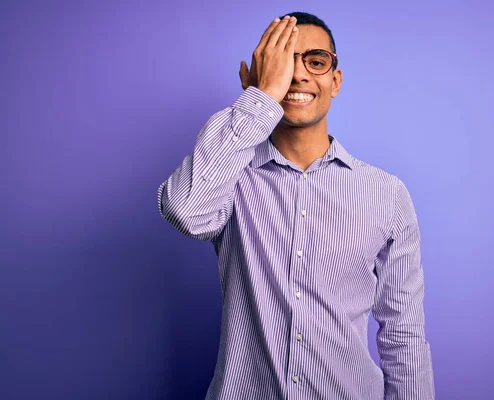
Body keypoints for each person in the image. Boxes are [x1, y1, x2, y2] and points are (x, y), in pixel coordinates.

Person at [157, 11, 435, 400]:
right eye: (284, 60)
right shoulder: (228, 172)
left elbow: (403, 337)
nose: (300, 75)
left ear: (335, 81)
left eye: (316, 62)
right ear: (256, 77)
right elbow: (185, 211)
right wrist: (261, 99)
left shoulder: (387, 194)